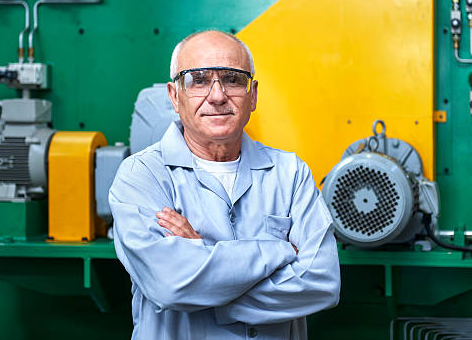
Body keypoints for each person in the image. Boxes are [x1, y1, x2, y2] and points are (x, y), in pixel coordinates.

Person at [109, 30, 340, 340]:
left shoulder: (290, 173)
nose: (217, 96)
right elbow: (170, 284)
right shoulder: (141, 176)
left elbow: (320, 284)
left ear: (253, 94)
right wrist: (279, 251)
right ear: (174, 96)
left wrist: (204, 276)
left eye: (232, 79)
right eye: (198, 80)